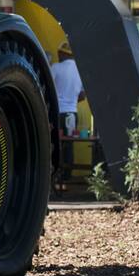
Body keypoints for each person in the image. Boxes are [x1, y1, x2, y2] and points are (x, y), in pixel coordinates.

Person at [50, 41, 85, 177]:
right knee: (69, 144)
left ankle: (55, 175)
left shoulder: (56, 67)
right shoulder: (79, 70)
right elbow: (82, 95)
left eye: (59, 53)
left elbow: (48, 88)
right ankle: (67, 175)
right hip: (72, 114)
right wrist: (71, 99)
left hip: (57, 114)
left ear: (62, 53)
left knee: (55, 143)